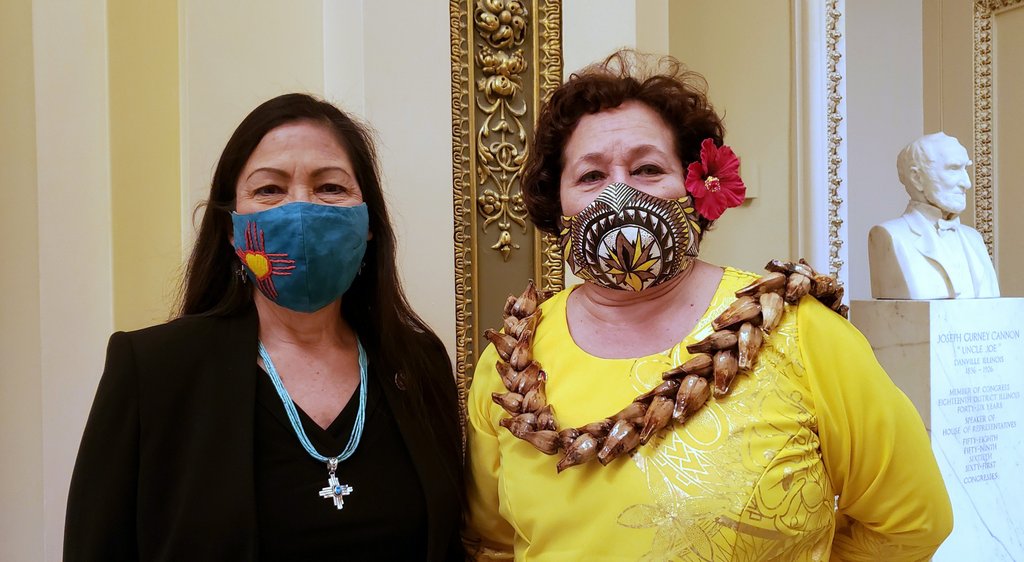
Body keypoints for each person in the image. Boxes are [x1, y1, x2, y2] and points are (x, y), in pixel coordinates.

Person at [463, 51, 952, 561]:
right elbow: (493, 541)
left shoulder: (799, 332)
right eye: (589, 177)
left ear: (694, 188)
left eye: (648, 168)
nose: (620, 193)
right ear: (556, 203)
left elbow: (911, 522)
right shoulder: (512, 364)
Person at [65, 93, 463, 561]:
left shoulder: (418, 365)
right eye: (268, 190)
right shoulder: (153, 371)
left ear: (368, 221)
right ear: (233, 229)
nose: (299, 211)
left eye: (330, 188)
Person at [869, 132, 1000, 299]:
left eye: (965, 168)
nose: (967, 183)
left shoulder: (974, 239)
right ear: (917, 178)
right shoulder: (890, 236)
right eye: (953, 169)